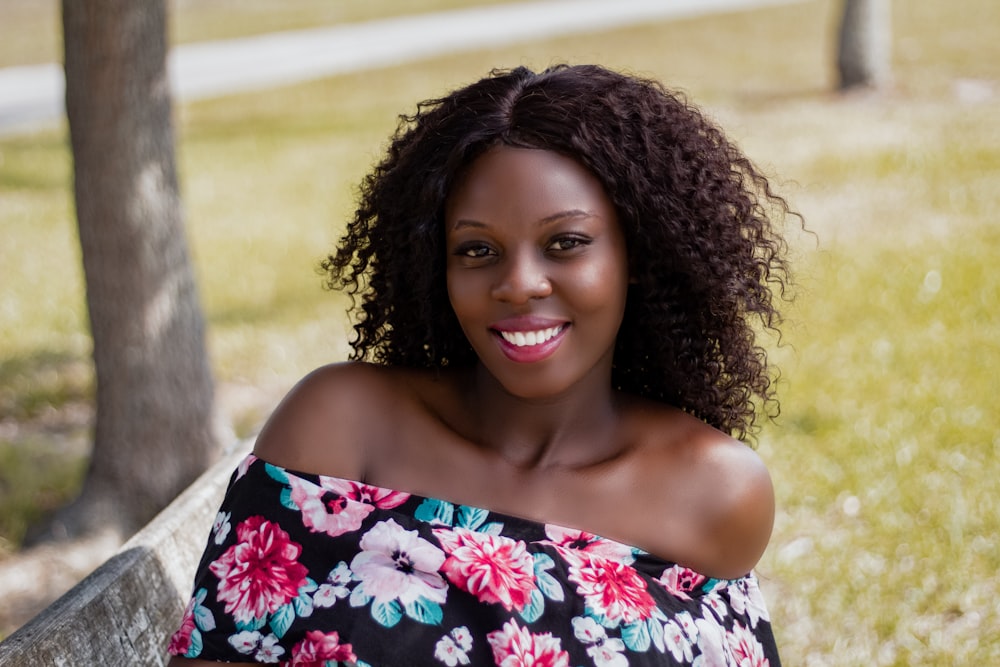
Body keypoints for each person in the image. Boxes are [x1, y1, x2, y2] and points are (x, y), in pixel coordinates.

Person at [167, 64, 793, 666]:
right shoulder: (342, 428)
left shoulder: (715, 492)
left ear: (641, 253)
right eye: (478, 250)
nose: (519, 284)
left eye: (565, 243)